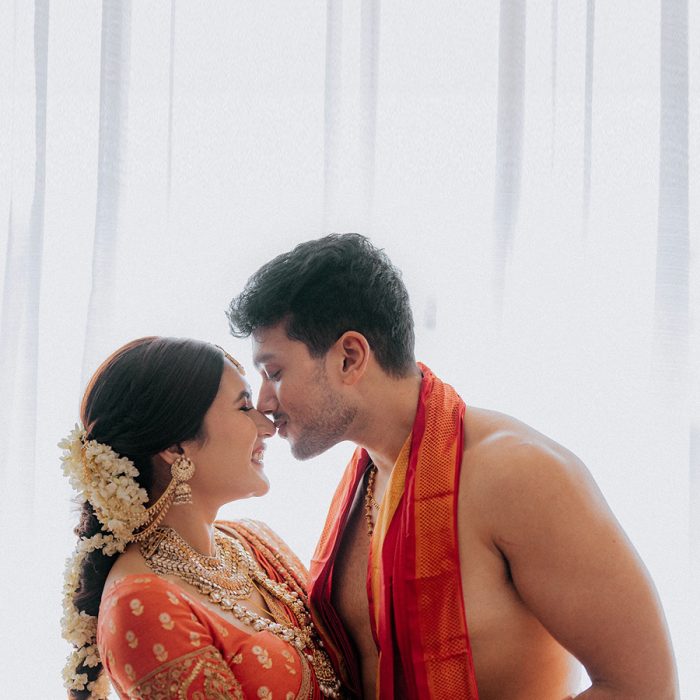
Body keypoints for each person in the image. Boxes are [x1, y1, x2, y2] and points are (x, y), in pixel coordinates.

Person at [227, 233, 679, 699]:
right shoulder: (365, 479)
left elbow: (647, 688)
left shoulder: (517, 473)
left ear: (350, 357)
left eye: (274, 372)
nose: (263, 402)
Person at [61, 337, 341, 699]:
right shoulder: (140, 606)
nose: (268, 427)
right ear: (176, 447)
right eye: (244, 408)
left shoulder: (253, 542)